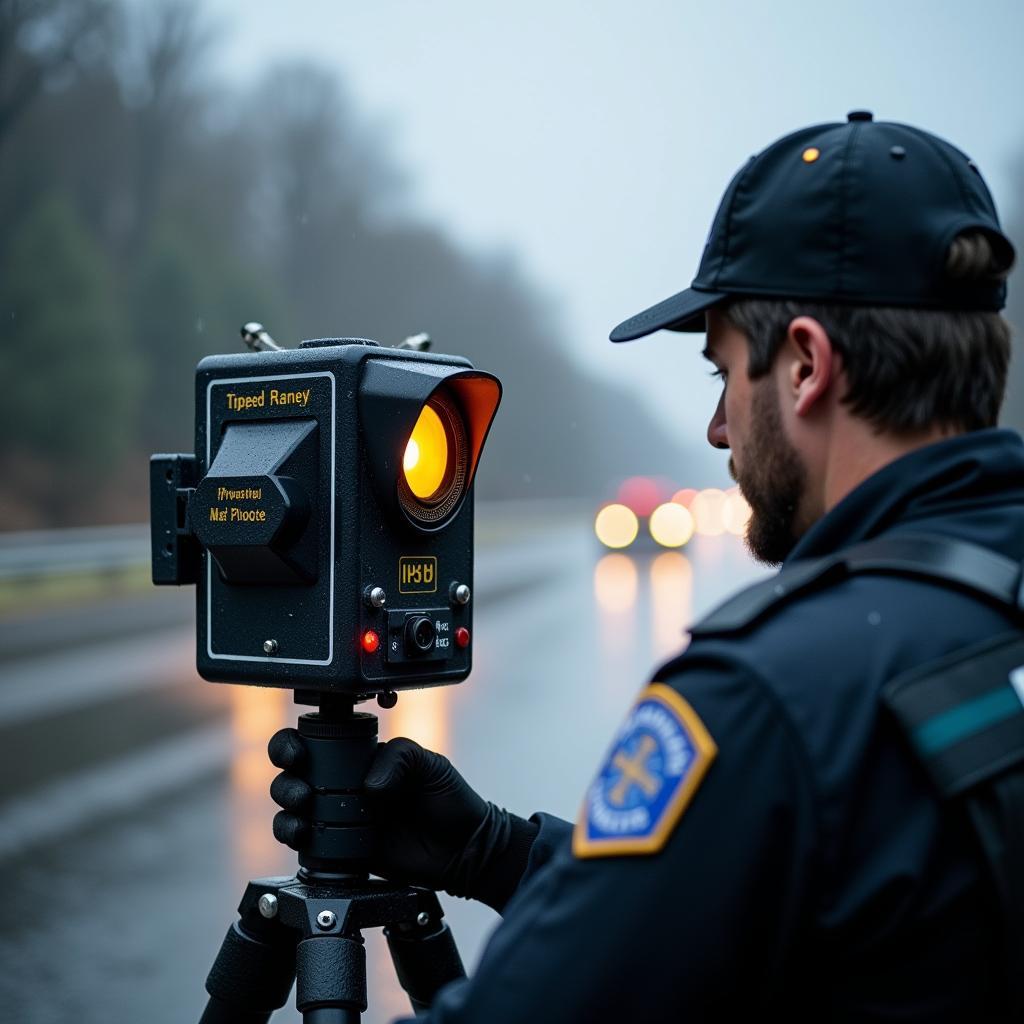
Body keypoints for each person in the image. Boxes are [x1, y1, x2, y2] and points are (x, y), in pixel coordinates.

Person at [270, 112, 1021, 1021]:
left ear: (806, 368)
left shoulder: (771, 695)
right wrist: (497, 852)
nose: (716, 430)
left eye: (723, 375)